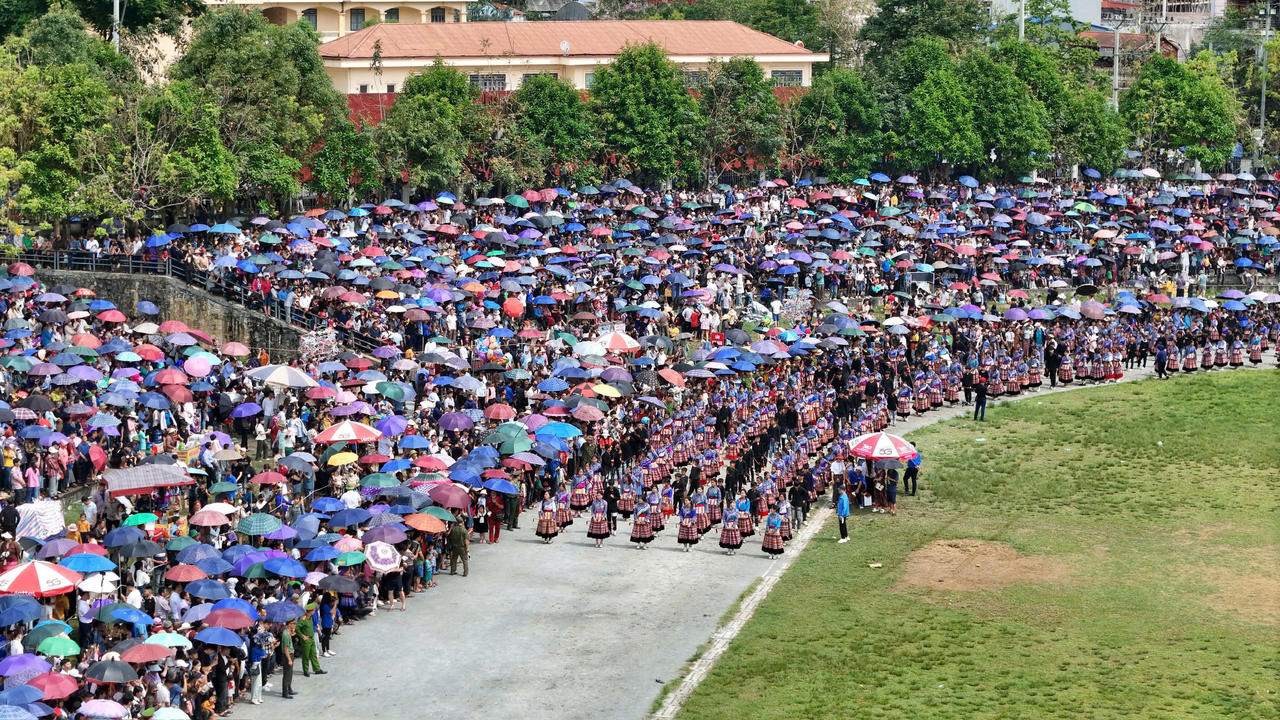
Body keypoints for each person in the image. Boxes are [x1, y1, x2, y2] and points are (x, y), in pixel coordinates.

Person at [279, 619, 296, 699]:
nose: (295, 625)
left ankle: (289, 689)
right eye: (293, 623)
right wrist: (289, 659)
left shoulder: (288, 632)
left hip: (290, 654)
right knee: (287, 674)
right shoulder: (286, 634)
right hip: (287, 655)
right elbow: (286, 649)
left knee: (290, 673)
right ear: (289, 624)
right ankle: (285, 692)